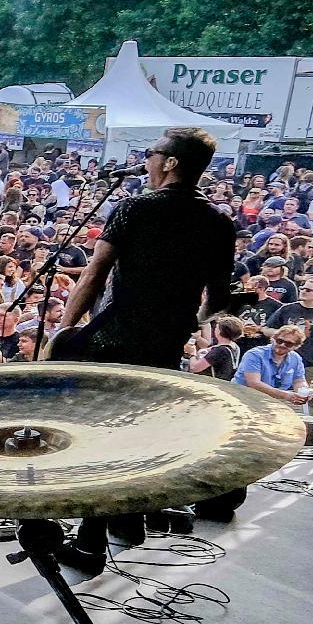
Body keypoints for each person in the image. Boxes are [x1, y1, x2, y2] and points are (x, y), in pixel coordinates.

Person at [48, 126, 238, 573]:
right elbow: (219, 299)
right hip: (164, 345)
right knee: (133, 434)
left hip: (115, 340)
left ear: (171, 163)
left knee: (93, 436)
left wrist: (65, 329)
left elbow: (95, 273)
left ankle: (88, 541)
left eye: (152, 154)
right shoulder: (218, 222)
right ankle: (126, 520)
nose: (148, 161)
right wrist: (187, 323)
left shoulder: (133, 207)